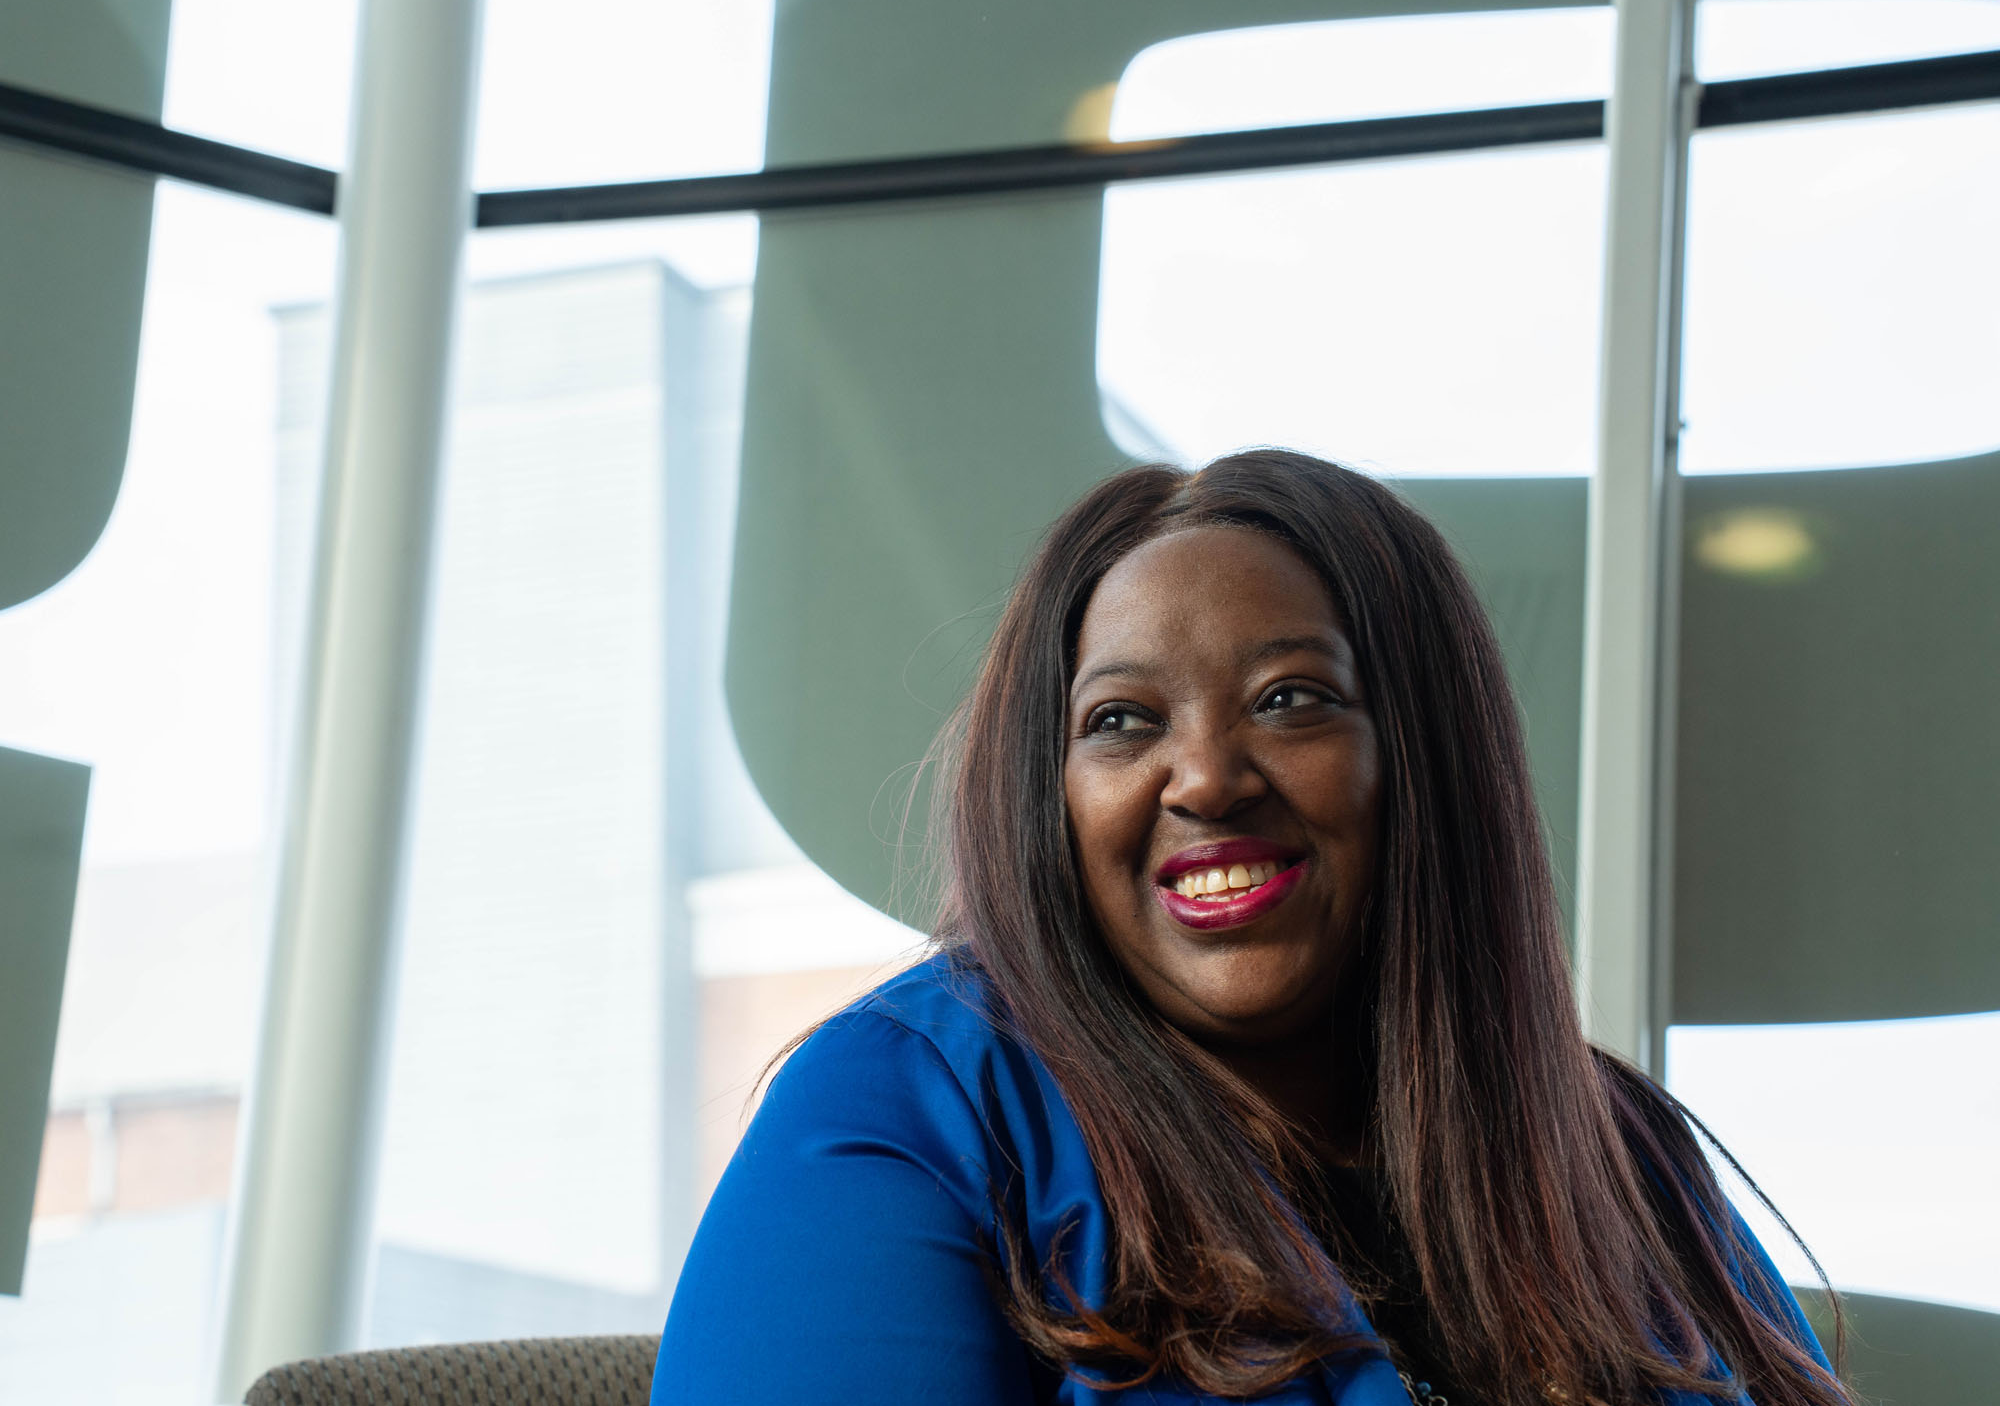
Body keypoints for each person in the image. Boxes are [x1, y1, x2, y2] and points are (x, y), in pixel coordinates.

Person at [652, 450, 1852, 1406]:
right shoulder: (909, 1112)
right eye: (1120, 721)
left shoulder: (1608, 1146)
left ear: (1422, 761)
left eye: (1290, 700)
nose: (1206, 778)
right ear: (1048, 793)